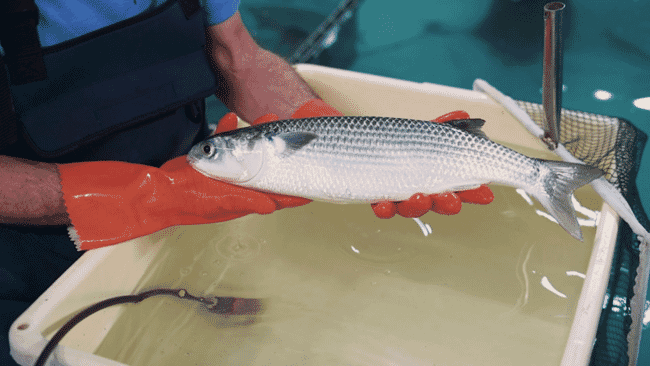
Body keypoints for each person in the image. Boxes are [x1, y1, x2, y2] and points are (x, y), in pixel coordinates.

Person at [0, 1, 493, 364]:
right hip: (31, 254)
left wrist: (332, 137)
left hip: (201, 196)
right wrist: (148, 195)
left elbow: (239, 55)